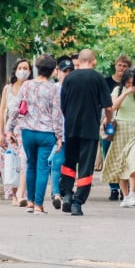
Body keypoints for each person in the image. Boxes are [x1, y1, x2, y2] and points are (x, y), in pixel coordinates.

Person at [59, 49, 113, 216]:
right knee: (85, 167)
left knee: (69, 163)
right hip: (89, 129)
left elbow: (62, 104)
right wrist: (108, 121)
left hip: (70, 128)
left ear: (80, 60)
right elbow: (108, 107)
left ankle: (67, 194)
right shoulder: (98, 79)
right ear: (93, 61)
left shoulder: (69, 79)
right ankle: (77, 202)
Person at [6, 55, 62, 215]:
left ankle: (30, 202)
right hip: (46, 133)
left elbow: (17, 108)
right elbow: (57, 114)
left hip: (27, 131)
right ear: (52, 71)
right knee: (43, 168)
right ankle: (38, 205)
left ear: (36, 68)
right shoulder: (53, 88)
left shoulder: (27, 85)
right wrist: (59, 136)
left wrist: (10, 129)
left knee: (30, 165)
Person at [102, 68, 135, 208]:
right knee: (122, 163)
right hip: (121, 130)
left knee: (134, 162)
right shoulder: (117, 90)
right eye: (128, 82)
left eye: (133, 83)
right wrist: (126, 92)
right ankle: (126, 195)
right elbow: (113, 107)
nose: (131, 86)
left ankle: (133, 193)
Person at [0, 58, 33, 207]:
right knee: (10, 162)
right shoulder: (8, 89)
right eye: (20, 67)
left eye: (26, 68)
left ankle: (22, 194)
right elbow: (2, 112)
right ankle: (14, 193)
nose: (23, 71)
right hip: (9, 130)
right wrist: (1, 133)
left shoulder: (31, 88)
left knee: (24, 161)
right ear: (15, 70)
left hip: (26, 128)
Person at [102, 55, 131, 201]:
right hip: (109, 122)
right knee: (109, 153)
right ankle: (113, 188)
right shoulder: (106, 82)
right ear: (115, 65)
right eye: (120, 65)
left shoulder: (131, 84)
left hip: (127, 124)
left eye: (125, 66)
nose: (122, 69)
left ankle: (125, 186)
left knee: (125, 156)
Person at [48, 57, 73, 210]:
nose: (67, 74)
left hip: (71, 133)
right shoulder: (53, 89)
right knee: (56, 163)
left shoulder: (76, 89)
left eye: (71, 71)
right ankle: (56, 193)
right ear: (58, 72)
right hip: (55, 133)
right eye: (65, 71)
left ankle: (65, 192)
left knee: (69, 165)